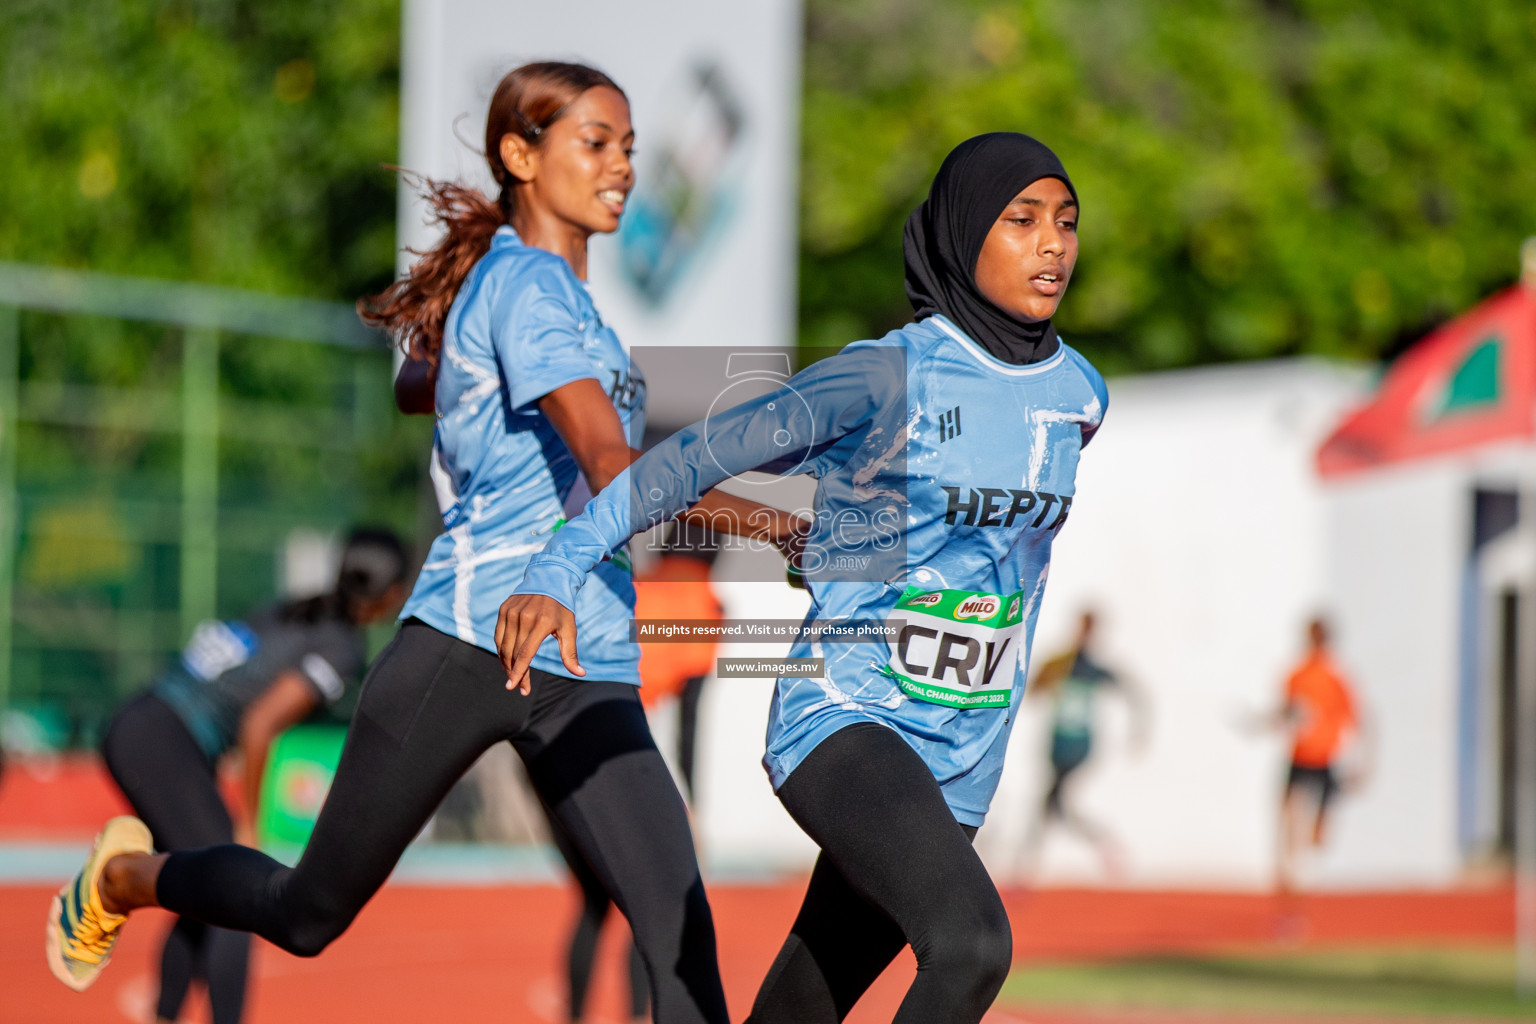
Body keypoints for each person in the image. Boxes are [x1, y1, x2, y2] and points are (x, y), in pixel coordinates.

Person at [47, 62, 802, 1024]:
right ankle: (129, 879)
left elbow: (435, 388)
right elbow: (615, 466)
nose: (621, 167)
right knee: (306, 912)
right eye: (595, 143)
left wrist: (446, 376)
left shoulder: (573, 314)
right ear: (520, 155)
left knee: (677, 934)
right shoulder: (523, 283)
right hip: (470, 639)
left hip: (588, 651)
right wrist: (781, 523)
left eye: (630, 149)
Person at [496, 132, 1107, 1024]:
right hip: (846, 717)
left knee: (801, 1008)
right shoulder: (889, 372)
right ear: (966, 231)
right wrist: (560, 562)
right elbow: (690, 460)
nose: (1052, 242)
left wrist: (842, 541)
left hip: (965, 748)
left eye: (1066, 222)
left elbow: (925, 527)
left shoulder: (1081, 394)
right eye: (1021, 221)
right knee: (971, 945)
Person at [82, 529, 408, 1020]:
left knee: (200, 883)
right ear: (389, 594)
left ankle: (164, 1012)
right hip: (163, 740)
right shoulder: (340, 645)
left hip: (146, 724)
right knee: (234, 892)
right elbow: (259, 725)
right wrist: (249, 823)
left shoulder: (294, 608)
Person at [548, 519, 721, 1024]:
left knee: (592, 901)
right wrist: (689, 803)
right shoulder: (705, 607)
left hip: (557, 738)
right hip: (611, 752)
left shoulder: (636, 582)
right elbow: (690, 720)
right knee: (656, 903)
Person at [1018, 610, 1147, 883]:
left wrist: (1138, 732)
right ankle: (1102, 841)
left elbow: (1133, 692)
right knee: (1056, 806)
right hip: (1057, 746)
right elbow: (1033, 692)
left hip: (1078, 748)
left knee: (1050, 802)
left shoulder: (1092, 668)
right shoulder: (1061, 663)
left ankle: (1025, 871)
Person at [1274, 616, 1365, 895]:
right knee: (1289, 816)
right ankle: (1292, 873)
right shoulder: (1297, 675)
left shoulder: (1335, 677)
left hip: (1325, 757)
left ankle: (1305, 874)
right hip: (1301, 755)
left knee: (1318, 835)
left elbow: (1353, 718)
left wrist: (1357, 760)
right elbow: (1288, 711)